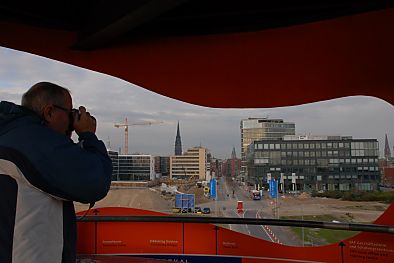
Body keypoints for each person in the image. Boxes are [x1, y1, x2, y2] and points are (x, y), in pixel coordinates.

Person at [0, 82, 112, 263]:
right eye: (69, 113)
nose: (72, 120)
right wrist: (87, 135)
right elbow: (96, 181)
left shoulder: (10, 134)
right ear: (49, 112)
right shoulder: (36, 141)